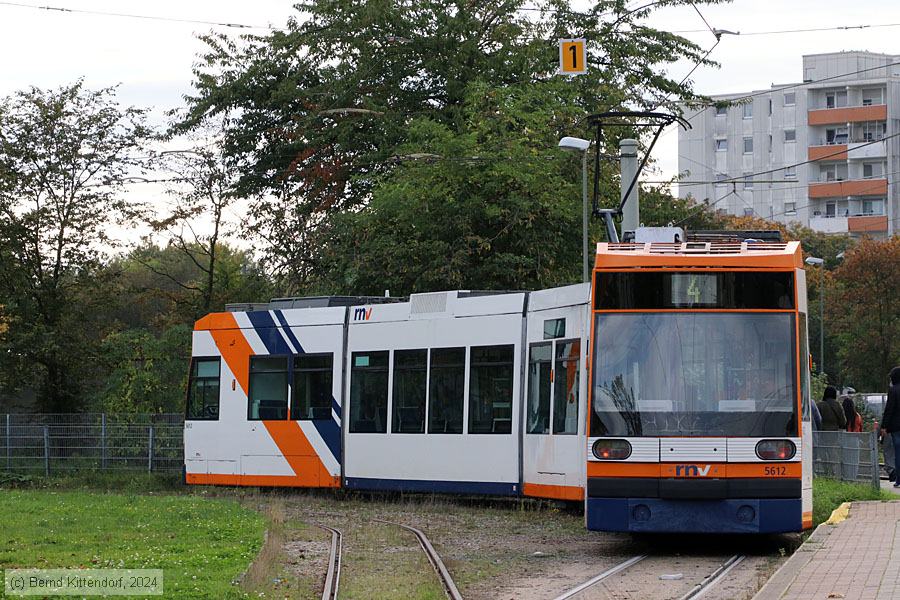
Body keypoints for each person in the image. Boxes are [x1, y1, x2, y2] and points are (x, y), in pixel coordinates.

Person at [879, 367, 900, 487]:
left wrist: (884, 426)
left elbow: (889, 409)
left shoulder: (893, 390)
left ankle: (899, 480)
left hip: (896, 427)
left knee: (898, 452)